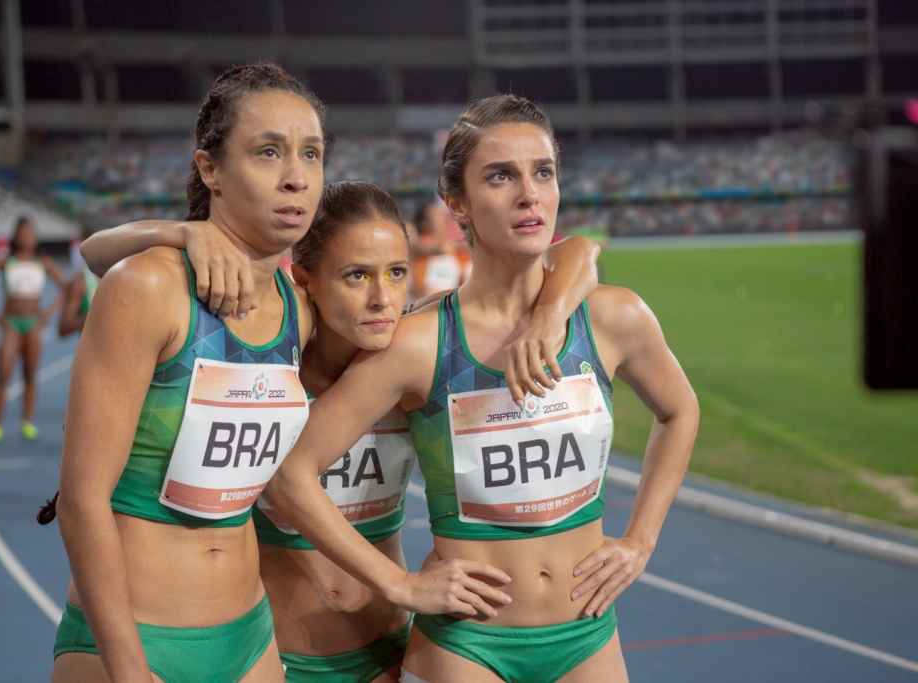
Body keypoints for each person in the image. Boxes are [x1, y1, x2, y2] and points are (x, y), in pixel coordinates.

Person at [52, 62, 514, 683]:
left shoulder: (296, 311)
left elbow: (454, 313)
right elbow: (82, 502)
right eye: (268, 153)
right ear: (210, 168)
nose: (297, 178)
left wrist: (576, 265)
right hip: (138, 638)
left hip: (250, 643)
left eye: (312, 155)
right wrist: (131, 672)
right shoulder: (148, 288)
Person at [80, 176, 601, 683]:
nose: (382, 299)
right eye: (356, 276)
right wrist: (184, 232)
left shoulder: (411, 356)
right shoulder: (272, 354)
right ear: (304, 280)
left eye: (397, 273)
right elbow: (98, 253)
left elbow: (579, 250)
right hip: (276, 654)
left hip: (387, 648)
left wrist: (551, 314)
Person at [266, 94, 700, 683]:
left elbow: (680, 411)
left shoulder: (612, 318)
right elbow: (292, 471)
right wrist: (399, 583)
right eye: (501, 176)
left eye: (542, 172)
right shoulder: (417, 343)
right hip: (467, 645)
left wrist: (641, 541)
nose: (529, 194)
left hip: (588, 633)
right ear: (457, 203)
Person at [0, 217, 66, 443]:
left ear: (36, 238)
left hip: (33, 324)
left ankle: (27, 423)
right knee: (3, 373)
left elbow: (65, 288)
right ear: (16, 237)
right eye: (22, 233)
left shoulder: (42, 262)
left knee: (30, 374)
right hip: (11, 323)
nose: (26, 237)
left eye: (30, 233)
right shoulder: (6, 261)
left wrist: (49, 314)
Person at [409, 201, 470, 300]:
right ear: (424, 224)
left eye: (443, 215)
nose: (443, 220)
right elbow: (438, 247)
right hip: (425, 301)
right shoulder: (421, 243)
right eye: (437, 217)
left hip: (451, 302)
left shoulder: (454, 250)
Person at [58, 227, 101, 337]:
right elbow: (64, 328)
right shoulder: (80, 282)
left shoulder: (122, 275)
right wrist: (92, 316)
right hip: (93, 352)